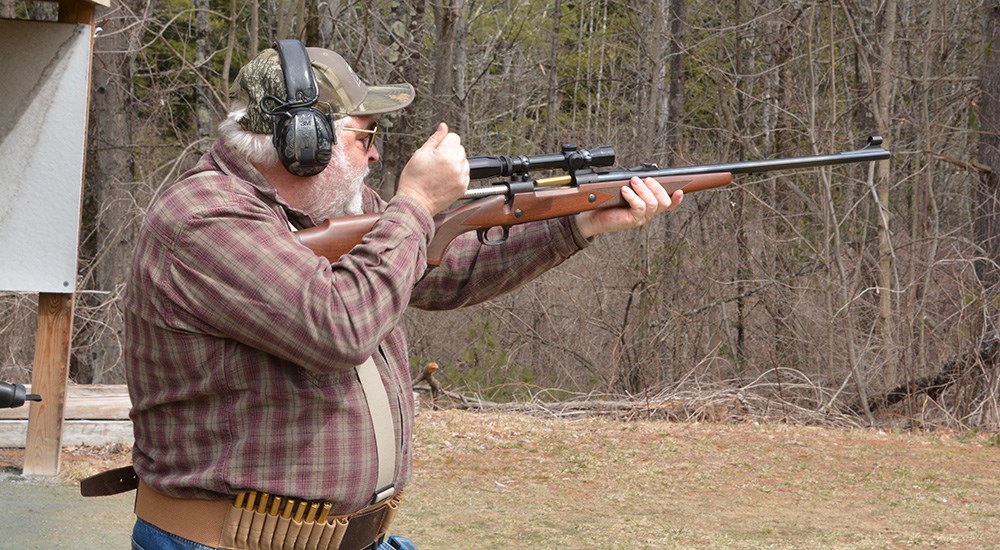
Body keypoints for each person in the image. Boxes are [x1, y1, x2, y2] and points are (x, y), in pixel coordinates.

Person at [120, 40, 682, 550]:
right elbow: (341, 325)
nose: (375, 156)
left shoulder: (327, 214)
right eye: (364, 137)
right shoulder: (203, 218)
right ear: (303, 143)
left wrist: (578, 225)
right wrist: (415, 203)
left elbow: (448, 270)